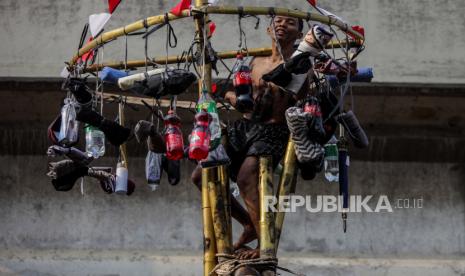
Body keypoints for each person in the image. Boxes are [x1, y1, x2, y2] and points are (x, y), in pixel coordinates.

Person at [191, 15, 312, 260]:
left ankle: (263, 243)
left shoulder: (301, 66)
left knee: (247, 176)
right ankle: (248, 223)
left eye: (290, 23)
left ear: (300, 35)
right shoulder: (256, 61)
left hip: (273, 130)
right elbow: (232, 92)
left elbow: (297, 99)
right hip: (244, 127)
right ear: (269, 29)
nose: (281, 25)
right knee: (201, 174)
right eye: (278, 21)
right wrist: (234, 98)